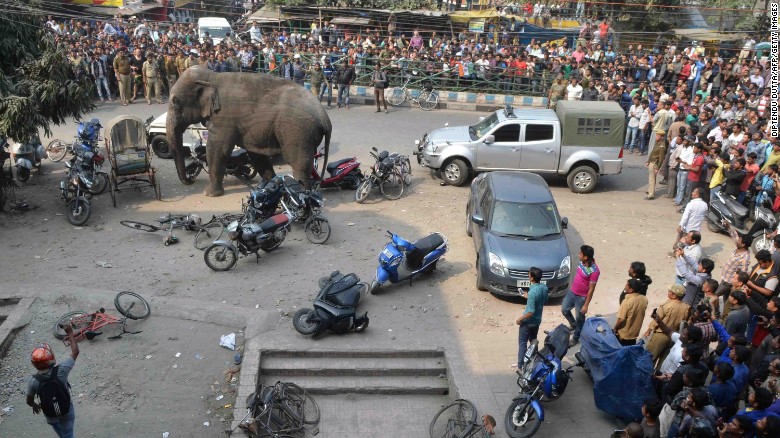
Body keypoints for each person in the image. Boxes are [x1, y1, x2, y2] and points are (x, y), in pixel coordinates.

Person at [26, 321, 79, 437]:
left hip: (50, 414)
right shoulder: (62, 370)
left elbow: (29, 401)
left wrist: (35, 405)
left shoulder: (33, 381)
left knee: (59, 430)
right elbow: (75, 352)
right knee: (68, 432)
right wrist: (69, 333)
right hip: (66, 410)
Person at [561, 245, 599, 347]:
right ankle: (573, 325)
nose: (578, 255)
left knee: (580, 319)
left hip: (581, 297)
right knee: (564, 309)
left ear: (586, 257)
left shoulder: (594, 271)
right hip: (572, 292)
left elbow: (591, 289)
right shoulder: (582, 262)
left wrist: (586, 305)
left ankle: (576, 338)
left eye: (580, 254)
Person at [644, 284, 691, 365]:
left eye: (670, 291)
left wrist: (648, 331)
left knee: (649, 359)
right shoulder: (687, 307)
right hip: (673, 336)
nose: (668, 292)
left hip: (660, 335)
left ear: (674, 295)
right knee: (663, 362)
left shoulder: (666, 306)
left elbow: (656, 320)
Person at [516, 267, 549, 366]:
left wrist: (519, 319)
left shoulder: (532, 293)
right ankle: (535, 360)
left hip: (528, 322)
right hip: (537, 321)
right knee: (533, 341)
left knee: (523, 343)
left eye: (529, 274)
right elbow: (545, 300)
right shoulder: (544, 288)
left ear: (532, 278)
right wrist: (528, 296)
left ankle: (521, 365)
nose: (528, 275)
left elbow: (530, 312)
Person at [614, 278, 649, 346]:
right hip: (634, 335)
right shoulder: (644, 299)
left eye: (626, 286)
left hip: (624, 335)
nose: (625, 287)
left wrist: (615, 328)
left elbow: (621, 319)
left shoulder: (627, 302)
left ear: (631, 290)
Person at [646, 129, 668, 199]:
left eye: (657, 136)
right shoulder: (657, 143)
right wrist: (648, 161)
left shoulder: (662, 146)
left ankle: (651, 194)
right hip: (651, 162)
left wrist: (658, 168)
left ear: (661, 137)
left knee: (651, 179)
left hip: (655, 163)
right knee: (652, 178)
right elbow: (652, 153)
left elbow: (661, 159)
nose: (656, 137)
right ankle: (650, 190)